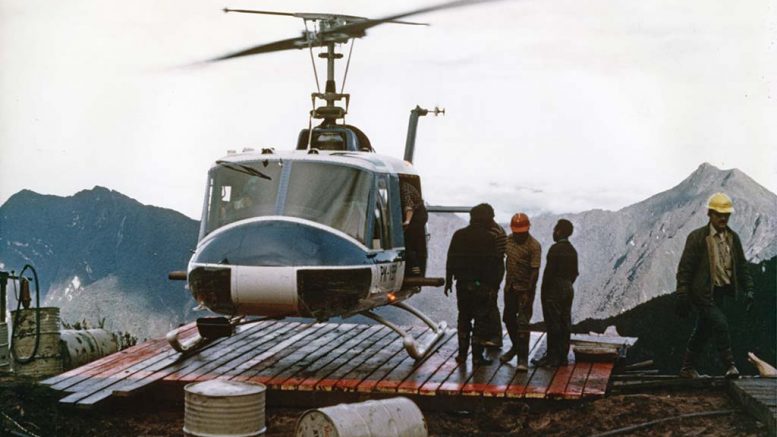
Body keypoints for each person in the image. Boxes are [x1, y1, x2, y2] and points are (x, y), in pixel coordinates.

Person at [675, 192, 754, 379]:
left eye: (726, 214)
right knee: (720, 324)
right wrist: (682, 294)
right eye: (719, 214)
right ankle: (730, 366)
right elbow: (685, 268)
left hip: (720, 293)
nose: (723, 218)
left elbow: (741, 266)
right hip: (701, 293)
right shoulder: (697, 238)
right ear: (710, 214)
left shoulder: (733, 238)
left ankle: (687, 368)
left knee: (703, 329)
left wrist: (749, 289)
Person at [445, 203, 502, 366]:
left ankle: (462, 354)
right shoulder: (489, 238)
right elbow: (492, 265)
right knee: (480, 321)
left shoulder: (459, 235)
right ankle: (477, 356)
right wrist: (493, 286)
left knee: (463, 317)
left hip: (462, 285)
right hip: (482, 287)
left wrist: (448, 280)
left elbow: (451, 259)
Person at [532, 219, 578, 368]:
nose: (553, 232)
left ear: (559, 231)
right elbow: (574, 273)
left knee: (553, 323)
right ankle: (562, 357)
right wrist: (567, 284)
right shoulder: (572, 250)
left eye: (554, 229)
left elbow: (549, 273)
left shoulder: (555, 249)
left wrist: (544, 292)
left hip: (554, 288)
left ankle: (552, 359)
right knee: (565, 322)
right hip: (568, 287)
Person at [500, 213, 542, 371]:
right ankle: (516, 347)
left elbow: (535, 270)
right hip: (510, 287)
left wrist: (528, 291)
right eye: (516, 232)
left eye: (521, 232)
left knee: (523, 323)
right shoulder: (508, 241)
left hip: (525, 290)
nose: (518, 235)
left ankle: (522, 359)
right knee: (508, 318)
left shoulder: (534, 246)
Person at [482, 205, 507, 349]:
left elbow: (495, 256)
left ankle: (495, 337)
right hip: (494, 269)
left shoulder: (494, 232)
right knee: (488, 301)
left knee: (490, 302)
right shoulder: (495, 230)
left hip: (493, 270)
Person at [400, 179, 428, 276]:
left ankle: (414, 268)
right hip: (419, 215)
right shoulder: (405, 186)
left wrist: (407, 221)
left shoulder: (403, 188)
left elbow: (409, 207)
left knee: (408, 241)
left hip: (417, 215)